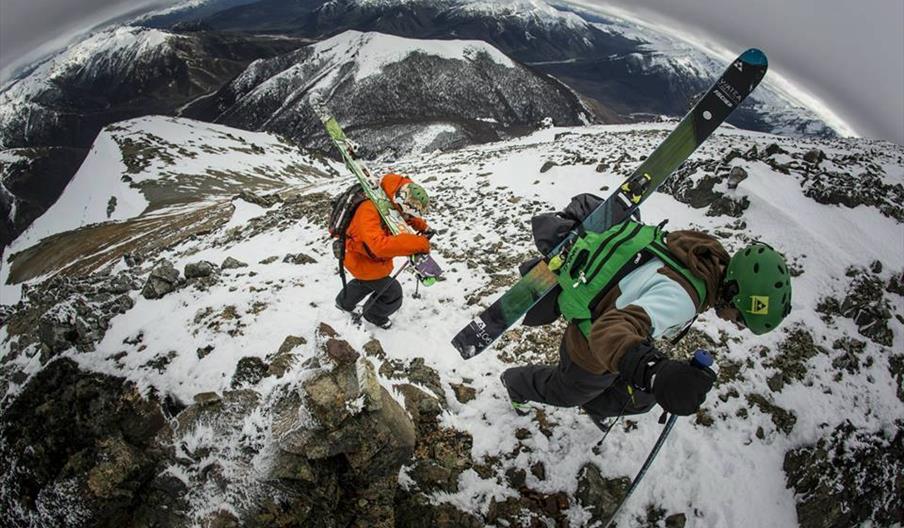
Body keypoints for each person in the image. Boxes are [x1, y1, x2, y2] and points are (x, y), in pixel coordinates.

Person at [500, 195, 792, 428]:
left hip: (621, 315)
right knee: (566, 392)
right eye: (742, 319)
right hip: (593, 343)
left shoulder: (702, 255)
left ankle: (598, 404)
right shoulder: (684, 298)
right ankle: (515, 383)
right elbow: (609, 329)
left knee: (639, 397)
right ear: (733, 294)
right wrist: (654, 371)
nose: (738, 326)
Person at [335, 173, 432, 329]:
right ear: (400, 203)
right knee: (393, 293)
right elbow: (379, 246)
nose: (407, 216)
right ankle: (373, 314)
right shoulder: (368, 210)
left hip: (365, 258)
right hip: (363, 259)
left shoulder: (390, 199)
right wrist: (419, 243)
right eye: (408, 212)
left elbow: (401, 215)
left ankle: (343, 302)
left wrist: (423, 226)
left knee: (365, 283)